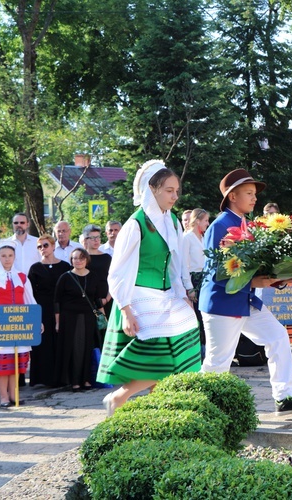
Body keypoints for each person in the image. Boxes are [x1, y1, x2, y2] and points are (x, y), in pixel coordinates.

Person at [199, 168, 292, 415]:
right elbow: (214, 272)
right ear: (232, 196)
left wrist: (278, 278)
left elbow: (257, 267)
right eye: (249, 193)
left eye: (254, 193)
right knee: (218, 362)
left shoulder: (248, 224)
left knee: (278, 337)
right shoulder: (220, 225)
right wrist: (255, 282)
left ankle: (285, 398)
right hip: (222, 303)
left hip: (245, 301)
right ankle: (198, 409)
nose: (254, 198)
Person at [97, 161, 201, 416]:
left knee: (180, 346)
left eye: (177, 190)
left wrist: (185, 292)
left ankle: (156, 410)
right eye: (169, 190)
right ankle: (119, 398)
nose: (175, 196)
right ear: (152, 189)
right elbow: (118, 271)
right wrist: (125, 310)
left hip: (166, 297)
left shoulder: (173, 221)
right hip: (141, 297)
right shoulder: (136, 224)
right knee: (161, 358)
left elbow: (177, 264)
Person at [0, 244, 38, 407]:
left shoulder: (22, 277)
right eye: (3, 256)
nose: (7, 259)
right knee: (2, 365)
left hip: (19, 325)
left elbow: (30, 300)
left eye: (10, 255)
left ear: (14, 257)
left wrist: (36, 321)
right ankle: (3, 397)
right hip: (1, 325)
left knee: (15, 363)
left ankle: (14, 395)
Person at [55, 248, 106, 391]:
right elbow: (57, 301)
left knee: (88, 348)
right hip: (69, 318)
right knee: (74, 349)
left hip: (88, 317)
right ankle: (75, 381)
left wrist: (103, 317)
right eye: (75, 258)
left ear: (87, 260)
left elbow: (97, 299)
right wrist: (58, 322)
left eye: (81, 258)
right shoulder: (65, 277)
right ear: (71, 260)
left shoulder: (93, 276)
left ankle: (86, 380)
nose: (78, 261)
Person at [27, 235, 71, 387]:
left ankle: (63, 377)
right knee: (44, 342)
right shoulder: (35, 268)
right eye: (39, 247)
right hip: (42, 308)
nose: (43, 249)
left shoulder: (65, 266)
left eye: (45, 245)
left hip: (62, 307)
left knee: (61, 341)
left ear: (53, 246)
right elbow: (30, 292)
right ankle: (44, 378)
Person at [182, 208, 209, 352]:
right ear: (197, 221)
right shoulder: (187, 238)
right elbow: (184, 265)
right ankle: (199, 351)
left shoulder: (202, 237)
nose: (207, 223)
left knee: (206, 314)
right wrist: (189, 287)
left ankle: (206, 348)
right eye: (205, 220)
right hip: (194, 279)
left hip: (205, 278)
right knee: (197, 317)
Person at [82, 224, 113, 314]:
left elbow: (113, 279)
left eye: (98, 237)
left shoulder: (107, 257)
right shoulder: (80, 258)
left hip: (105, 299)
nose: (96, 240)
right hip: (87, 300)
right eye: (92, 238)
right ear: (85, 240)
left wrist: (107, 299)